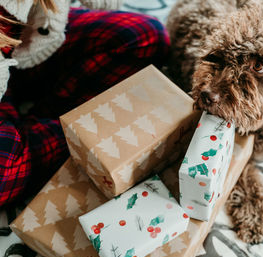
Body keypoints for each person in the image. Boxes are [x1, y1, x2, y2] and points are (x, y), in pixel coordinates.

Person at [0, 0, 170, 206]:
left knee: (143, 36)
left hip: (28, 37)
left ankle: (46, 127)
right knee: (5, 172)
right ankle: (67, 136)